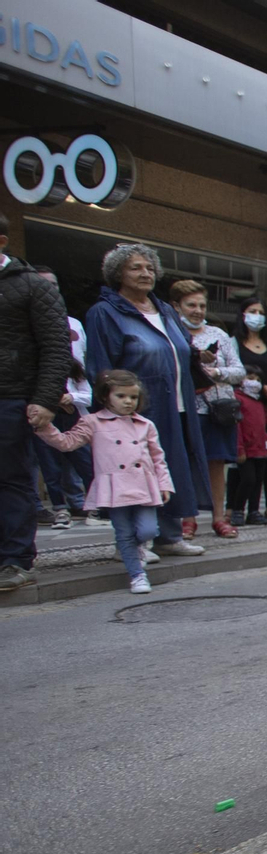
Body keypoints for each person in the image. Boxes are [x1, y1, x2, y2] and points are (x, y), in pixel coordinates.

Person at [83, 243, 208, 560]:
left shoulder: (164, 310)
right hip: (133, 409)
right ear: (118, 274)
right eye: (136, 267)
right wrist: (109, 411)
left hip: (175, 404)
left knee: (170, 469)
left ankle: (169, 535)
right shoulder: (105, 312)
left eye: (150, 268)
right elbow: (101, 365)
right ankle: (131, 543)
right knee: (133, 473)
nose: (145, 273)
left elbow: (183, 353)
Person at [35, 369, 175, 595]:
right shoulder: (92, 422)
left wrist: (164, 483)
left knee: (149, 530)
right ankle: (137, 575)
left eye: (133, 397)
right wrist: (44, 427)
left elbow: (158, 457)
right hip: (114, 487)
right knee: (124, 533)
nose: (128, 401)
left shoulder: (145, 424)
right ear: (105, 396)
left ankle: (138, 549)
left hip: (144, 485)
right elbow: (67, 442)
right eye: (121, 396)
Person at [0, 216, 75, 592]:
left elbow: (56, 347)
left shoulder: (31, 286)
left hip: (11, 398)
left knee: (12, 478)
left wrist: (45, 399)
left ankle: (15, 559)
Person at [169, 279, 245, 539]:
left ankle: (218, 518)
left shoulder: (219, 335)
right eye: (191, 305)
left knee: (216, 465)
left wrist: (217, 371)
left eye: (202, 305)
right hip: (186, 409)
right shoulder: (172, 334)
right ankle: (187, 520)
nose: (197, 310)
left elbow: (239, 371)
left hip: (218, 411)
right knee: (187, 463)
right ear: (176, 306)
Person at [28, 266, 94, 529]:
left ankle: (85, 503)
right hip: (41, 407)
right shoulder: (26, 323)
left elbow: (82, 368)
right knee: (47, 463)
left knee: (81, 459)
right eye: (42, 284)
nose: (49, 289)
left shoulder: (75, 325)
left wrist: (75, 398)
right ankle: (55, 508)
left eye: (53, 284)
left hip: (73, 408)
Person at [230, 298, 267, 521]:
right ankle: (233, 508)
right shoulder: (233, 342)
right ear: (243, 315)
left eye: (261, 312)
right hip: (244, 409)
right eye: (252, 311)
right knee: (241, 460)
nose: (257, 316)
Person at [228, 364, 267, 525]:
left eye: (258, 379)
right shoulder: (238, 398)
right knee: (247, 479)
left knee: (257, 482)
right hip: (246, 449)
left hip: (261, 448)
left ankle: (253, 511)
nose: (254, 382)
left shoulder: (259, 402)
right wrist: (239, 448)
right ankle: (237, 510)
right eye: (250, 378)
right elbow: (237, 426)